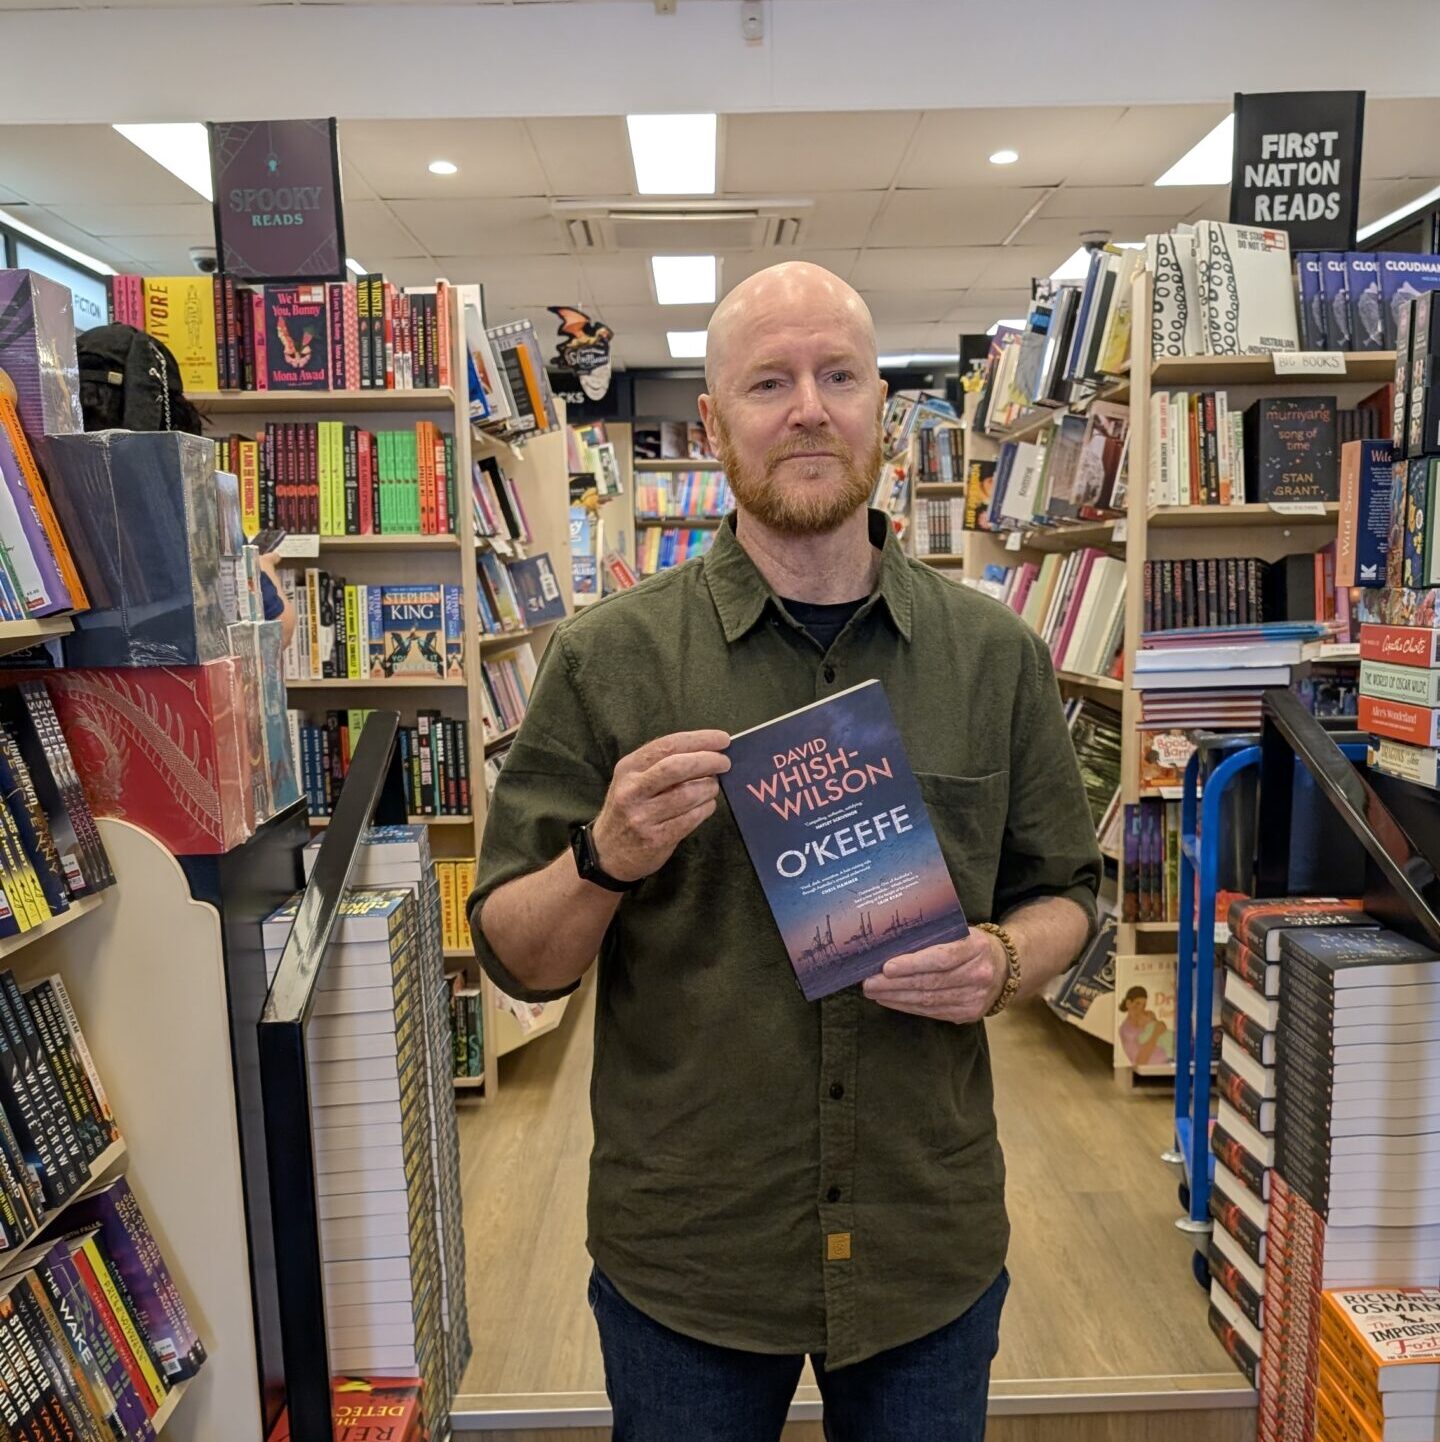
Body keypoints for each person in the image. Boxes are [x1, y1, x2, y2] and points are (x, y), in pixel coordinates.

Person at [469, 261, 1101, 1442]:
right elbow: (519, 956)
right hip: (692, 1256)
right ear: (714, 425)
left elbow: (1066, 890)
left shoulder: (995, 656)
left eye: (839, 376)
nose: (809, 408)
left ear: (882, 413)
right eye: (769, 382)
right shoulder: (609, 660)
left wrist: (1004, 961)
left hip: (924, 1239)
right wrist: (605, 854)